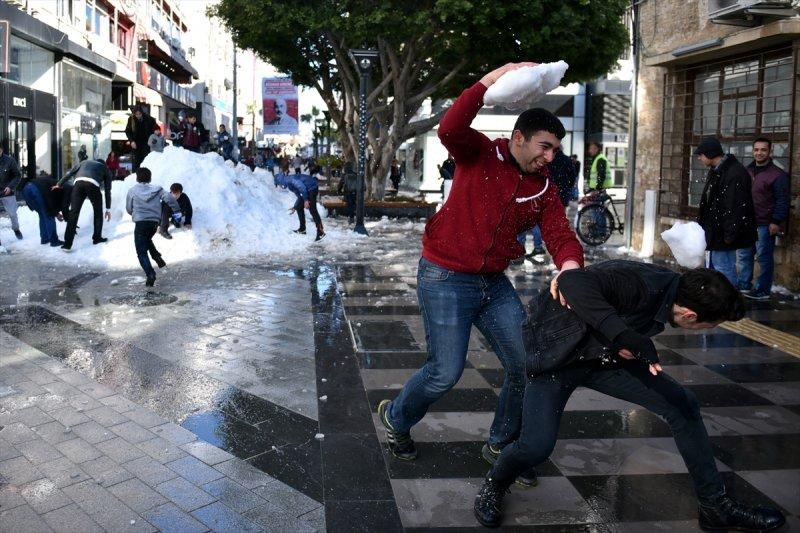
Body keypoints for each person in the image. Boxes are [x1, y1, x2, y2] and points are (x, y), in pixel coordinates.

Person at [376, 63, 583, 485]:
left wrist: (571, 266)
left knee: (527, 364)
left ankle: (502, 445)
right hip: (445, 276)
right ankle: (396, 417)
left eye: (555, 151)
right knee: (444, 373)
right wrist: (490, 79)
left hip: (492, 283)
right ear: (518, 138)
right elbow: (451, 126)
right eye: (544, 147)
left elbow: (560, 233)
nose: (549, 157)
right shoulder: (480, 152)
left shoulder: (543, 185)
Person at [474, 261, 785, 533]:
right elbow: (572, 281)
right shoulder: (642, 284)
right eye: (708, 325)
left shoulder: (669, 291)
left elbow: (614, 321)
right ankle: (495, 483)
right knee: (536, 446)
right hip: (557, 359)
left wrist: (619, 340)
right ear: (691, 315)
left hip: (602, 358)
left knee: (683, 404)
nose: (703, 331)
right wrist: (624, 335)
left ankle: (715, 507)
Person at [695, 137, 757, 287]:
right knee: (716, 268)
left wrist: (729, 234)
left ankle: (730, 303)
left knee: (724, 268)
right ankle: (721, 300)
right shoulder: (717, 171)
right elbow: (711, 201)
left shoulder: (733, 173)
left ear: (710, 154)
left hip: (723, 232)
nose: (699, 158)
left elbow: (733, 206)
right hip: (716, 230)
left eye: (701, 154)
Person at [737, 137, 789, 300]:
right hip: (747, 222)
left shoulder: (777, 175)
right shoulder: (747, 171)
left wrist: (776, 221)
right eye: (756, 150)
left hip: (765, 224)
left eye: (763, 150)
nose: (759, 153)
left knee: (764, 258)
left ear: (770, 151)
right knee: (745, 255)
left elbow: (782, 200)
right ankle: (744, 285)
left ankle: (762, 290)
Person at [125, 167, 182, 287]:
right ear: (150, 178)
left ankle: (150, 274)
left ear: (137, 178)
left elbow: (129, 209)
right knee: (147, 239)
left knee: (141, 252)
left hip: (140, 223)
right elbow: (170, 199)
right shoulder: (158, 190)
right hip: (154, 223)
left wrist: (135, 213)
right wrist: (177, 210)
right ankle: (158, 258)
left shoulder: (132, 191)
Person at [519, 150, 577, 259]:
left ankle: (540, 246)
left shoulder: (544, 161)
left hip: (545, 193)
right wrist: (566, 189)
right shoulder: (566, 160)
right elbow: (572, 176)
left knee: (537, 221)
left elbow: (541, 176)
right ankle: (557, 247)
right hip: (561, 195)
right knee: (558, 223)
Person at [54, 158, 114, 251]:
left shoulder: (83, 162)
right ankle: (97, 238)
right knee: (97, 212)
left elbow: (70, 173)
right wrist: (108, 209)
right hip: (92, 185)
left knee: (74, 213)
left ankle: (67, 244)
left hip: (78, 184)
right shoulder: (104, 168)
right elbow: (107, 190)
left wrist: (59, 184)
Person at [275, 165, 325, 241]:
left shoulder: (291, 180)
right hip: (307, 190)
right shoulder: (289, 184)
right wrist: (295, 206)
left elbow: (302, 188)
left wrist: (306, 200)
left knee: (312, 209)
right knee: (299, 207)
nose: (279, 186)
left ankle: (320, 232)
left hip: (312, 188)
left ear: (280, 181)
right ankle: (302, 229)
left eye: (278, 184)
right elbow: (300, 195)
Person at [19, 175, 67, 246]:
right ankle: (54, 241)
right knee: (49, 215)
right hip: (35, 190)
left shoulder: (48, 181)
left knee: (42, 214)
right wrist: (56, 214)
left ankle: (45, 239)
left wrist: (56, 213)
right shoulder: (56, 187)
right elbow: (49, 202)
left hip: (26, 190)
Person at [0, 145, 23, 240]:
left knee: (13, 214)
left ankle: (16, 229)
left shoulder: (10, 161)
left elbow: (17, 176)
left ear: (1, 150)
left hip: (7, 192)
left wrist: (10, 187)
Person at [125, 105, 157, 171]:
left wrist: (153, 141)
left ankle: (146, 177)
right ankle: (135, 177)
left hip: (146, 143)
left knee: (146, 161)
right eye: (136, 114)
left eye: (139, 114)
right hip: (136, 144)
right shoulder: (131, 119)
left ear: (142, 113)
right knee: (136, 162)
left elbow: (154, 130)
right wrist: (132, 141)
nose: (138, 116)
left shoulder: (149, 119)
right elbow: (128, 131)